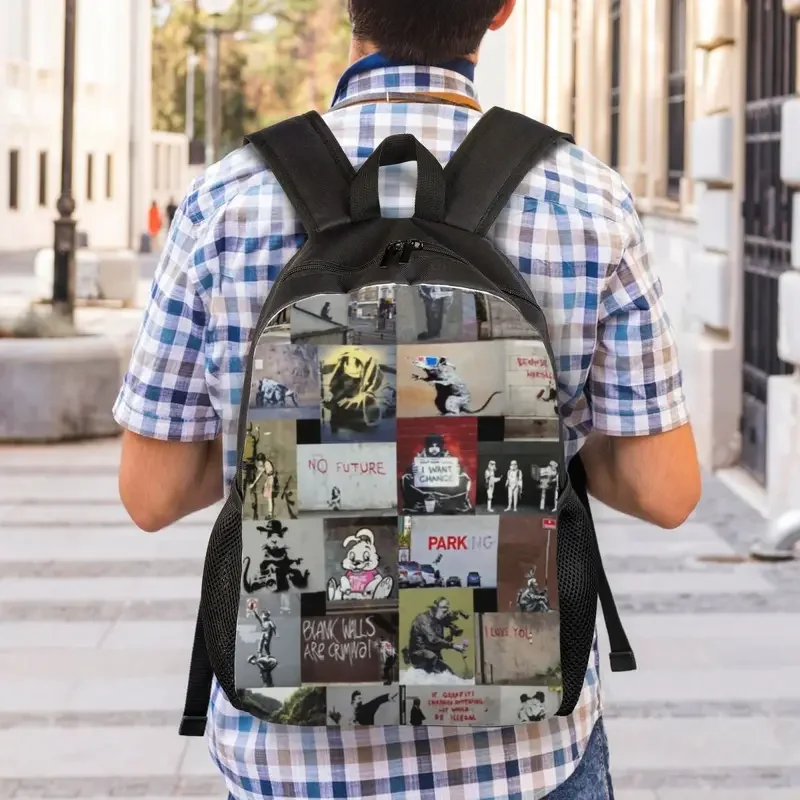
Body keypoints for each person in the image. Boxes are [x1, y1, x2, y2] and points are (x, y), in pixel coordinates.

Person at [114, 0, 701, 796]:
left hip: (289, 752)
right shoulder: (585, 197)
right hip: (521, 753)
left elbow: (152, 494)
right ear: (501, 11)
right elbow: (664, 490)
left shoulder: (226, 199)